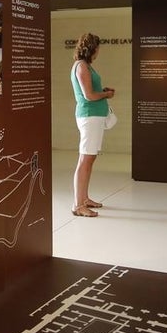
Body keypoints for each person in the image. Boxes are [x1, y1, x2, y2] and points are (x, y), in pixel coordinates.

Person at [70, 33, 115, 217]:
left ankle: (84, 199)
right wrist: (106, 95)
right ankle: (78, 205)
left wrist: (102, 92)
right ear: (91, 48)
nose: (98, 51)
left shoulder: (86, 66)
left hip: (94, 117)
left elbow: (90, 91)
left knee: (90, 158)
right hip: (89, 117)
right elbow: (88, 95)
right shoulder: (81, 66)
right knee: (85, 160)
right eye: (97, 47)